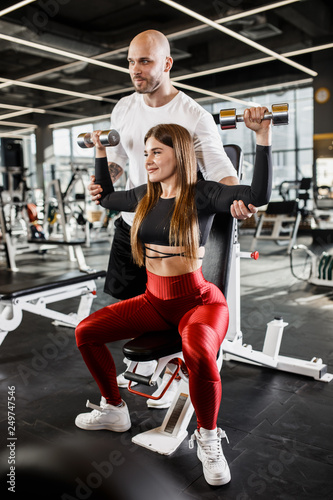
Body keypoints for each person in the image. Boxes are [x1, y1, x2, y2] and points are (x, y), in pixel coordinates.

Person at [75, 113, 272, 487]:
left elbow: (258, 196)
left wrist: (263, 136)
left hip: (199, 302)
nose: (146, 160)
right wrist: (100, 152)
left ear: (178, 154)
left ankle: (208, 438)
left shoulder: (205, 194)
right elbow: (107, 197)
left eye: (155, 152)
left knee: (197, 350)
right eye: (145, 152)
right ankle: (114, 409)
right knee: (86, 331)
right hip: (153, 301)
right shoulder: (144, 196)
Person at [87, 29, 257, 402]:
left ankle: (177, 369)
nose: (136, 70)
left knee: (177, 314)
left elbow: (218, 166)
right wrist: (105, 183)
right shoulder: (124, 107)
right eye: (130, 61)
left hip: (174, 229)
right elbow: (117, 162)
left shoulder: (192, 115)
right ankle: (142, 376)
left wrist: (237, 200)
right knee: (126, 306)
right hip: (133, 226)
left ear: (167, 64)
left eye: (145, 61)